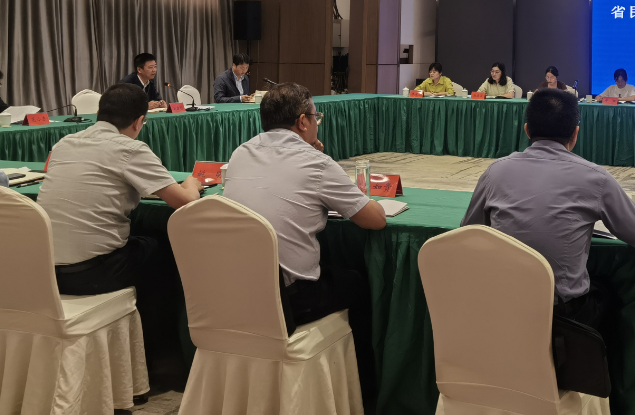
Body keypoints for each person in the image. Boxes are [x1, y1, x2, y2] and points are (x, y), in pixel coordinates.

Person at [461, 89, 635, 343]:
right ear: (575, 133)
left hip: (501, 306)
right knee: (607, 293)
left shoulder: (495, 172)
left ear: (527, 130)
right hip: (562, 314)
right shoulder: (595, 178)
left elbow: (468, 234)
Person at [223, 82, 386, 387]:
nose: (316, 123)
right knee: (356, 283)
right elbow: (375, 219)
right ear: (302, 121)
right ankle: (362, 389)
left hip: (231, 292)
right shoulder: (316, 163)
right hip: (287, 302)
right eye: (316, 117)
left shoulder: (240, 153)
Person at [37, 83, 201, 368]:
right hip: (90, 272)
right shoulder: (130, 149)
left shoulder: (64, 143)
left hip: (44, 271)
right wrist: (193, 183)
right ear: (139, 122)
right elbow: (184, 202)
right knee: (161, 251)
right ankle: (162, 361)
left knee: (140, 242)